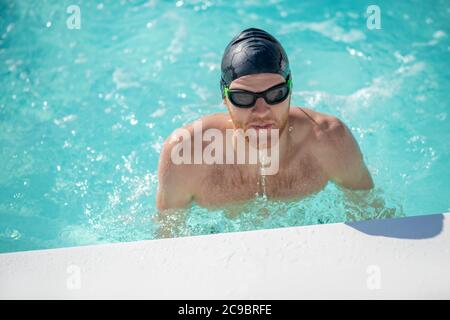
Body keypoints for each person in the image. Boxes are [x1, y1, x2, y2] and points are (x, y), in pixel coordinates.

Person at [156, 28, 373, 234]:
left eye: (275, 94)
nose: (261, 111)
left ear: (290, 90)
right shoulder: (185, 154)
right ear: (224, 98)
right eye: (243, 98)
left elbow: (374, 215)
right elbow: (167, 241)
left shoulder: (331, 140)